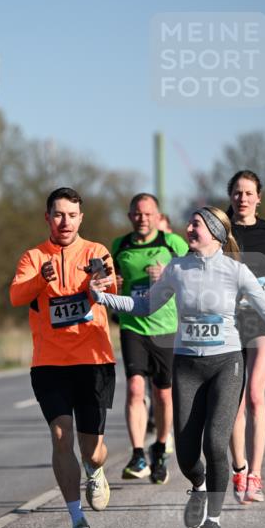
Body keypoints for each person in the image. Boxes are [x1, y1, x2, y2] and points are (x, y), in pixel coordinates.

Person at [91, 206, 265, 528]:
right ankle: (198, 487)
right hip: (187, 366)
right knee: (185, 454)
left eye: (196, 224)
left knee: (215, 442)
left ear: (214, 232)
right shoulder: (177, 268)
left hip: (226, 363)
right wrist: (101, 298)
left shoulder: (236, 271)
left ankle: (214, 521)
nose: (189, 228)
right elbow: (145, 305)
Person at [10, 187, 117, 528]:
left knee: (92, 449)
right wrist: (42, 278)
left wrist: (95, 282)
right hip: (50, 363)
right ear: (47, 218)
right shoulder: (33, 256)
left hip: (93, 361)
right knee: (60, 435)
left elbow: (109, 285)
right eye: (58, 214)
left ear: (81, 218)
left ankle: (96, 469)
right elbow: (16, 295)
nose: (65, 221)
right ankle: (77, 521)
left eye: (71, 215)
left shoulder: (96, 251)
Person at [111, 194, 188, 484]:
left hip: (166, 328)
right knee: (134, 388)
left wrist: (169, 274)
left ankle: (160, 447)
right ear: (130, 216)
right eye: (137, 214)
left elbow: (196, 276)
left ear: (158, 216)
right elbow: (112, 281)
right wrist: (113, 283)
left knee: (163, 394)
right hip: (133, 326)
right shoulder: (120, 246)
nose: (143, 219)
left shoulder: (173, 243)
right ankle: (138, 452)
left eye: (148, 214)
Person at [227, 170, 265, 505]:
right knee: (234, 405)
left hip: (262, 320)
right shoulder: (220, 229)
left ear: (258, 197)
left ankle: (255, 476)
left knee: (254, 395)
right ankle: (239, 468)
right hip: (229, 323)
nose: (243, 198)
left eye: (249, 193)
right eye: (237, 192)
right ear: (231, 195)